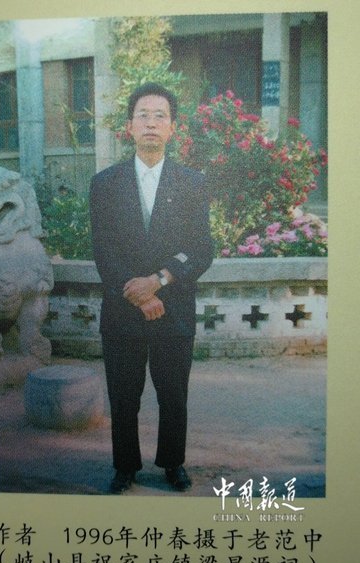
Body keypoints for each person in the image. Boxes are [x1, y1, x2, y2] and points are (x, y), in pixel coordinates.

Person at [89, 82, 213, 494]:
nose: (151, 123)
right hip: (123, 310)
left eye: (160, 116)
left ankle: (173, 463)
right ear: (129, 126)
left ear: (173, 128)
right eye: (143, 115)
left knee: (174, 395)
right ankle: (124, 466)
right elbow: (103, 250)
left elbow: (201, 249)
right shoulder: (105, 184)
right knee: (123, 396)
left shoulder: (192, 183)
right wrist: (138, 295)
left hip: (173, 308)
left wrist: (158, 282)